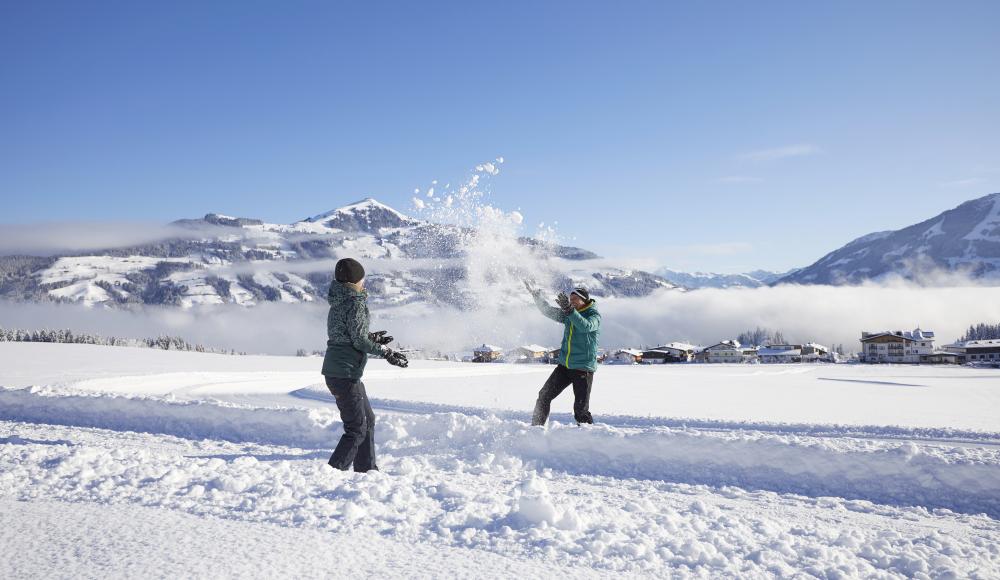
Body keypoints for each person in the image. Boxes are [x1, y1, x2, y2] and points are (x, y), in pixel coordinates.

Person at [322, 257, 408, 472]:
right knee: (357, 428)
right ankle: (333, 472)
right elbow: (358, 340)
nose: (364, 282)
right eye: (362, 278)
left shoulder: (340, 300)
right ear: (355, 281)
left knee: (367, 420)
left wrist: (373, 338)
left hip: (341, 371)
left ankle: (366, 469)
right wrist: (386, 352)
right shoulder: (354, 303)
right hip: (344, 372)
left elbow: (348, 333)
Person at [525, 282, 601, 426]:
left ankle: (587, 438)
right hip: (565, 366)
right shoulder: (568, 313)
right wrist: (536, 295)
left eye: (575, 299)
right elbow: (547, 310)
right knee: (544, 396)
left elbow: (586, 326)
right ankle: (536, 429)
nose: (571, 302)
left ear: (584, 300)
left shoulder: (593, 315)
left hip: (582, 368)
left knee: (581, 410)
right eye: (570, 300)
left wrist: (569, 310)